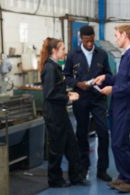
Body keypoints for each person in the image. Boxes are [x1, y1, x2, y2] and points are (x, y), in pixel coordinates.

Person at [94, 24, 130, 193]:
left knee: (118, 143)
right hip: (119, 106)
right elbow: (122, 78)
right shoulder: (126, 55)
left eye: (116, 35)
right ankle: (123, 176)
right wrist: (107, 78)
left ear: (125, 35)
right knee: (119, 143)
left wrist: (113, 89)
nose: (115, 39)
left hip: (126, 106)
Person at [63, 25, 113, 182]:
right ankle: (83, 168)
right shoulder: (73, 55)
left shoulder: (102, 54)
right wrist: (78, 84)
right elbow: (66, 76)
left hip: (98, 99)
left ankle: (102, 169)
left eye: (92, 40)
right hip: (82, 98)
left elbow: (109, 74)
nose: (90, 43)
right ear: (81, 39)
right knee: (82, 134)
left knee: (103, 133)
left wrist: (103, 80)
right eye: (87, 40)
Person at [39, 37, 90, 187]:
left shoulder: (56, 66)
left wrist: (67, 94)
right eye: (62, 49)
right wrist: (68, 97)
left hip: (60, 112)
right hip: (53, 114)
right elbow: (50, 94)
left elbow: (55, 90)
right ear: (54, 51)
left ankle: (76, 176)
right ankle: (54, 179)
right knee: (56, 147)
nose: (65, 52)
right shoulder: (49, 68)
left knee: (71, 144)